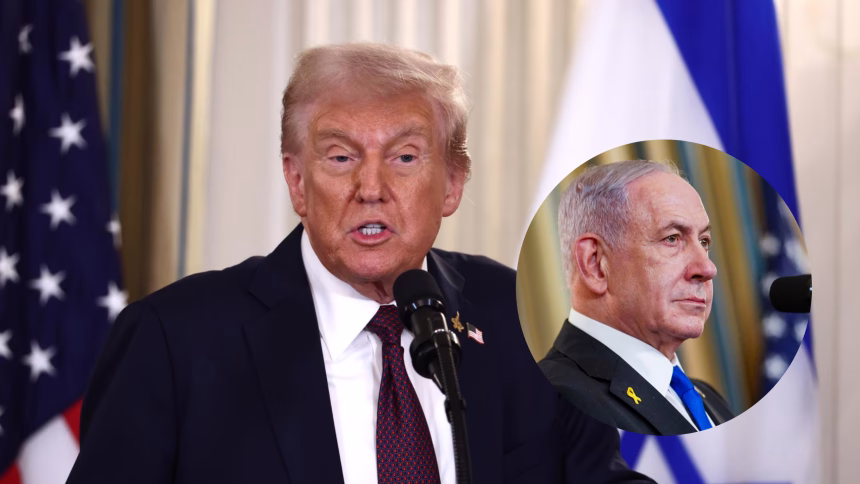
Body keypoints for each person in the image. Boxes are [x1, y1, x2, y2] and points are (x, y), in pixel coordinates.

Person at [67, 44, 652, 483]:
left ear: (453, 183)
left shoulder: (527, 319)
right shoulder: (174, 342)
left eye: (404, 157)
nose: (371, 188)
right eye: (341, 156)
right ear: (297, 181)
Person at [540, 160, 735, 436]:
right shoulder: (555, 403)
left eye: (704, 242)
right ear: (595, 263)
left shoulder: (708, 398)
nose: (707, 268)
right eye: (672, 238)